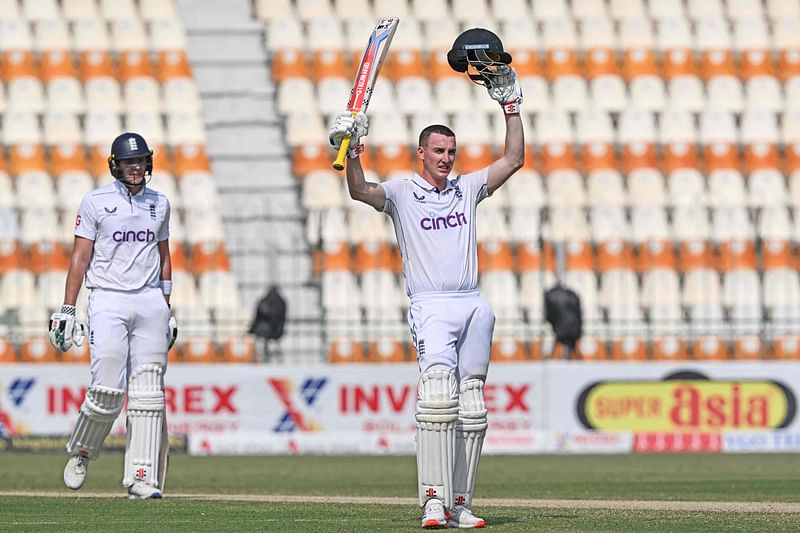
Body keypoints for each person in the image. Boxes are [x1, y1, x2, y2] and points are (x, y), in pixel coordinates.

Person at [328, 34, 524, 529]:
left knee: (473, 407)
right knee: (437, 397)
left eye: (452, 151)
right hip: (431, 305)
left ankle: (461, 504)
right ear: (421, 152)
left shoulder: (467, 188)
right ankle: (433, 501)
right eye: (438, 151)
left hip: (472, 303)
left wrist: (511, 107)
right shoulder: (401, 192)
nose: (446, 158)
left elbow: (513, 160)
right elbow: (359, 191)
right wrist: (351, 150)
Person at [48, 132, 177, 499]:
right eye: (128, 163)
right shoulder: (95, 202)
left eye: (140, 162)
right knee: (106, 391)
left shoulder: (160, 203)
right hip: (108, 299)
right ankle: (83, 451)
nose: (135, 169)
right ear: (115, 166)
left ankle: (141, 477)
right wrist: (68, 309)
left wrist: (166, 308)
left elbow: (164, 255)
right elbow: (79, 258)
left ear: (148, 163)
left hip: (150, 300)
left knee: (149, 393)